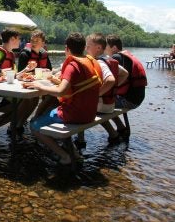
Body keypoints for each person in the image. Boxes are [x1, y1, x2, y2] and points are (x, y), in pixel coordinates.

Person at [25, 32, 103, 164]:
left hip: (73, 114)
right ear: (84, 48)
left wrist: (40, 86)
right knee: (51, 114)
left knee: (34, 125)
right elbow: (76, 87)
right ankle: (74, 153)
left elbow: (61, 91)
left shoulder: (72, 66)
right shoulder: (92, 62)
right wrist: (55, 80)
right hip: (90, 113)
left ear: (66, 48)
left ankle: (64, 156)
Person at [85, 33, 129, 143]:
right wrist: (114, 88)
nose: (85, 48)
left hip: (103, 106)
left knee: (82, 104)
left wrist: (97, 94)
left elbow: (110, 80)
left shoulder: (99, 62)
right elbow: (125, 73)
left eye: (88, 46)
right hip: (110, 104)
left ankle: (81, 141)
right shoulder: (108, 60)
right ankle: (119, 129)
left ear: (98, 48)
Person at [105, 34, 147, 138]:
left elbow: (110, 80)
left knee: (97, 104)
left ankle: (113, 134)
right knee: (104, 101)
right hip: (137, 99)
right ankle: (121, 128)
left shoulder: (116, 58)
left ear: (114, 48)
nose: (104, 49)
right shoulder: (125, 56)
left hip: (128, 100)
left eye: (105, 46)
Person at [15, 30, 53, 135]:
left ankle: (27, 121)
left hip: (40, 84)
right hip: (26, 84)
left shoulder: (44, 54)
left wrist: (47, 71)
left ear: (43, 43)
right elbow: (20, 74)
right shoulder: (25, 54)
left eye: (37, 40)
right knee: (30, 100)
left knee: (46, 98)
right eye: (32, 40)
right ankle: (15, 124)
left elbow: (49, 69)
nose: (34, 42)